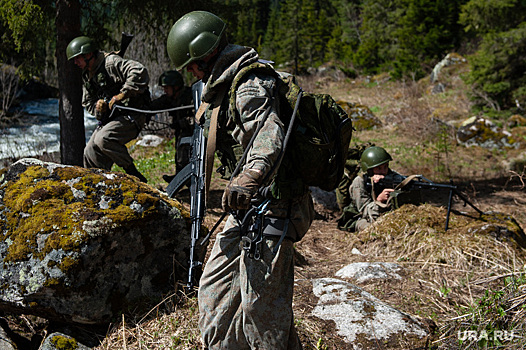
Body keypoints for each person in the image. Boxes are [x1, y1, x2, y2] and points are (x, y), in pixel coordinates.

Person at [167, 11, 314, 350]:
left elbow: (269, 134)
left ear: (207, 54)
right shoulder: (222, 87)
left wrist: (249, 177)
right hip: (249, 208)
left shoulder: (248, 86)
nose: (191, 73)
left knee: (261, 309)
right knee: (215, 290)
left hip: (275, 205)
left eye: (192, 65)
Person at [66, 36, 150, 182]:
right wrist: (100, 108)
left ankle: (133, 173)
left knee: (103, 139)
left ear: (87, 54)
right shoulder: (88, 75)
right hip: (113, 117)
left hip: (133, 114)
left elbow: (139, 71)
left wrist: (122, 94)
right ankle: (99, 184)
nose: (75, 62)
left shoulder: (111, 63)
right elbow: (88, 103)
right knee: (89, 151)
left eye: (77, 58)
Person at [150, 70, 194, 183]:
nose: (164, 90)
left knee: (185, 156)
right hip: (181, 132)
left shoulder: (190, 96)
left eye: (167, 88)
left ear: (176, 87)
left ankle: (188, 181)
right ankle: (180, 177)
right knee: (179, 155)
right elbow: (154, 106)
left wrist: (182, 122)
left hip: (193, 133)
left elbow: (199, 117)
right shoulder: (170, 98)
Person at [349, 146, 406, 231]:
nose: (383, 171)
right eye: (379, 168)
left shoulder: (392, 177)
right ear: (370, 170)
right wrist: (379, 200)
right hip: (361, 217)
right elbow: (364, 211)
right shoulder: (360, 182)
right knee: (371, 229)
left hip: (387, 214)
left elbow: (404, 181)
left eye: (385, 167)